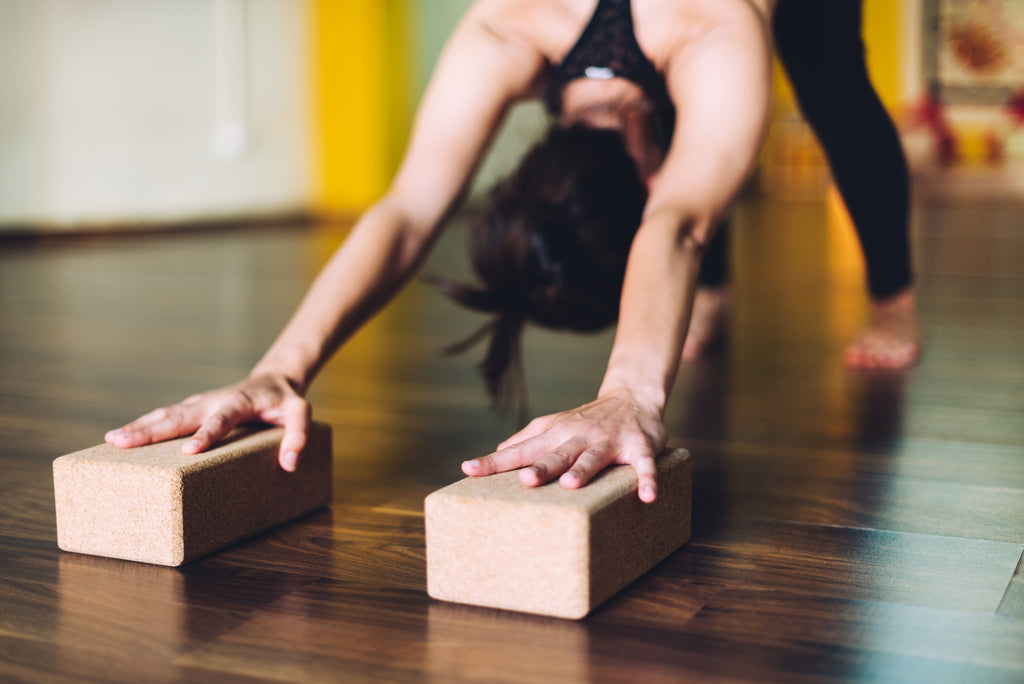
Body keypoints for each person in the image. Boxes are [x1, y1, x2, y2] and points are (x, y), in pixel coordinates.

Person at [106, 0, 919, 503]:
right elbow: (409, 209)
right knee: (707, 156)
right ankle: (706, 298)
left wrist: (631, 392)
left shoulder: (716, 22)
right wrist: (278, 370)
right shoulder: (508, 23)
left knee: (835, 87)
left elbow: (676, 221)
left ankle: (895, 300)